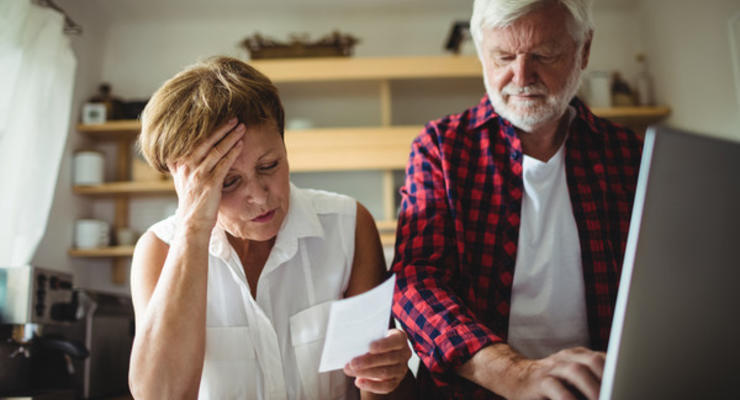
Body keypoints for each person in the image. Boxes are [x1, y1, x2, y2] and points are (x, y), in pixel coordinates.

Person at [390, 1, 643, 399]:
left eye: (544, 55)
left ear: (584, 50)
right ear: (481, 54)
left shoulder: (628, 156)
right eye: (504, 56)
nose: (521, 76)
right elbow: (415, 281)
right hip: (476, 389)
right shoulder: (440, 147)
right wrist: (513, 373)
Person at [128, 56, 415, 399]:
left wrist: (390, 374)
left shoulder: (349, 226)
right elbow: (159, 396)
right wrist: (192, 227)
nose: (261, 197)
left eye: (269, 165)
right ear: (186, 182)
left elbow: (379, 390)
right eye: (229, 182)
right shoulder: (159, 249)